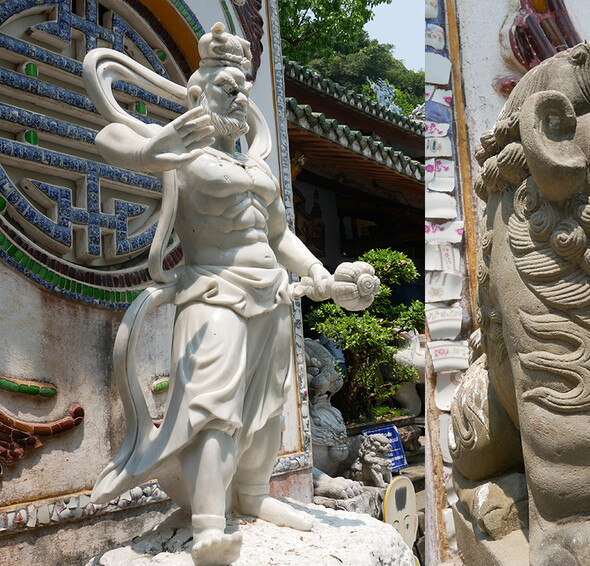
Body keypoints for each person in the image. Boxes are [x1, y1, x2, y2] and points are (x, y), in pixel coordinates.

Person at [84, 23, 375, 565]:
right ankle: (209, 524)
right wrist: (157, 147)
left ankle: (256, 495)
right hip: (213, 292)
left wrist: (323, 274)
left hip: (272, 295)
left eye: (243, 88)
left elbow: (278, 236)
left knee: (266, 410)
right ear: (198, 94)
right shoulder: (184, 152)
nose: (240, 95)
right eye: (227, 86)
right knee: (211, 408)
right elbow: (110, 139)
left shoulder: (254, 163)